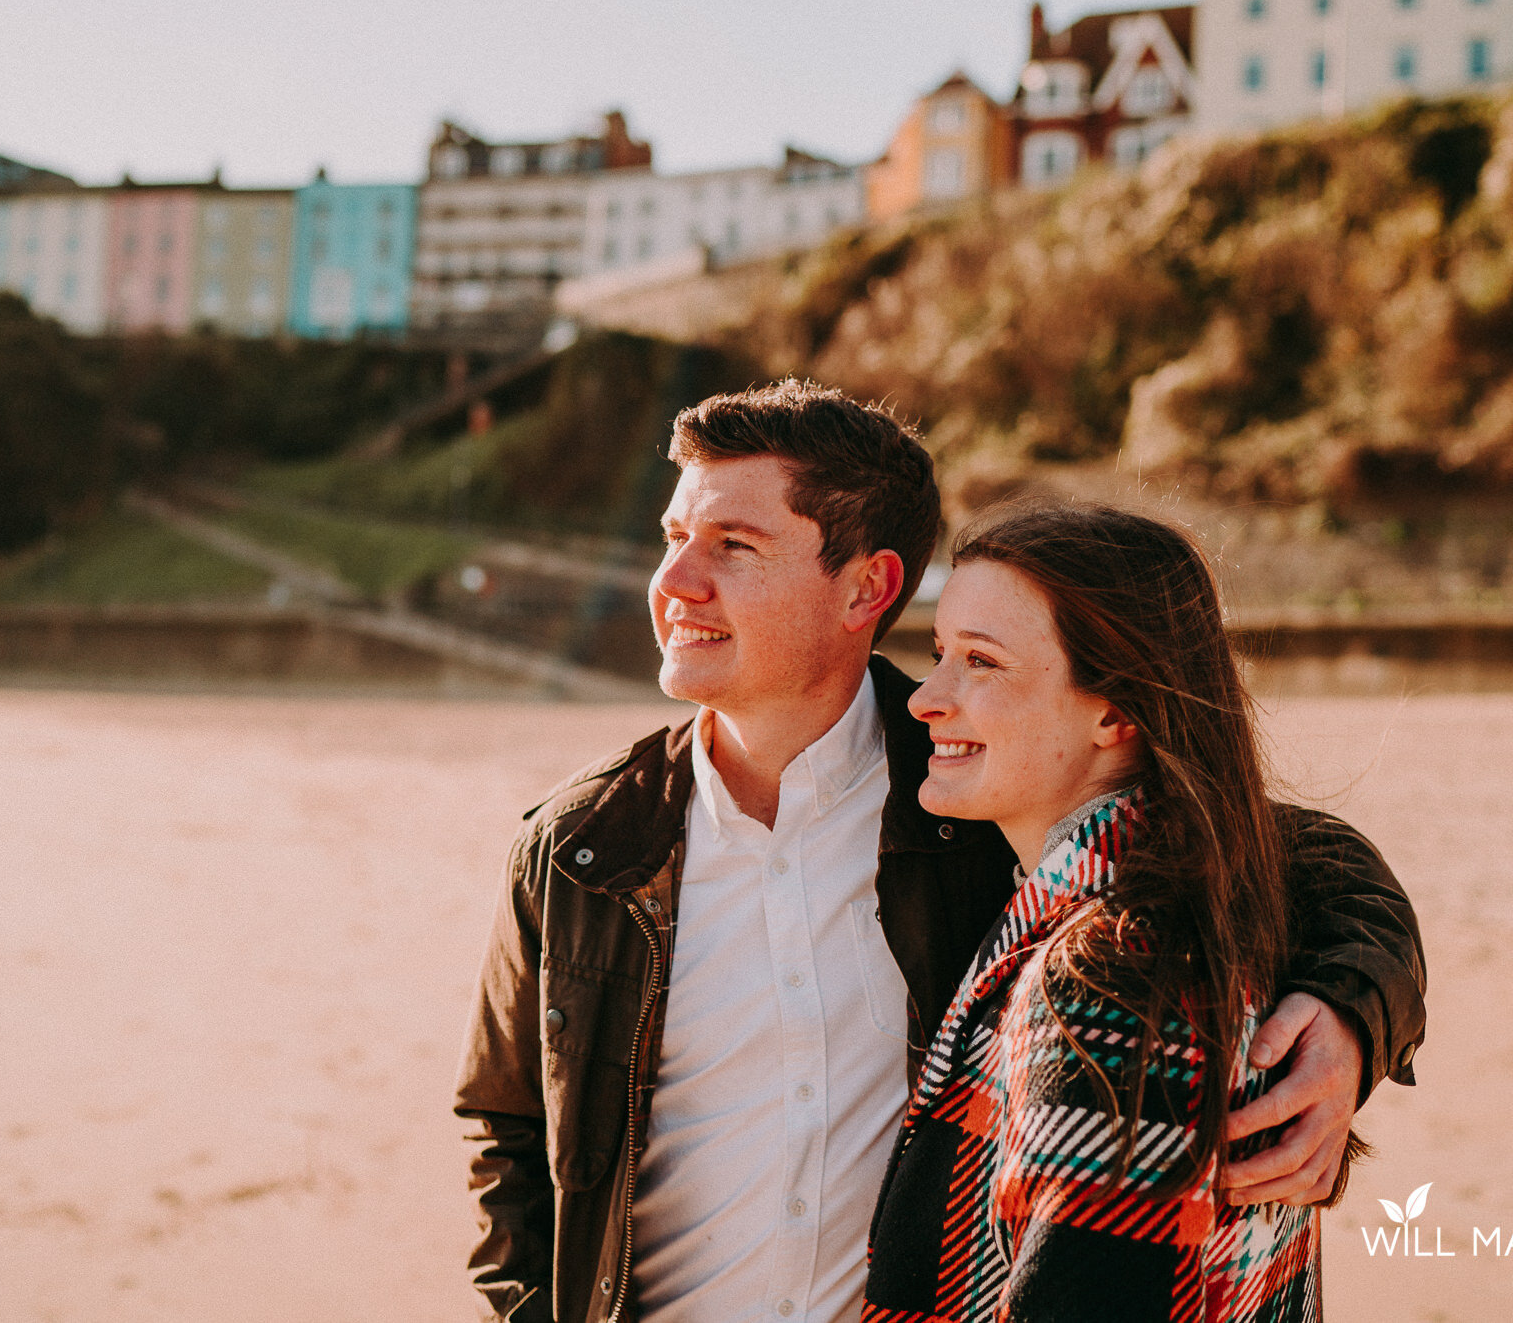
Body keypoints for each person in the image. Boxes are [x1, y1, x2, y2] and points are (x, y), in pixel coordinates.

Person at [453, 381, 1425, 1323]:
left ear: (866, 585)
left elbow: (1263, 842)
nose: (673, 583)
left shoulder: (979, 789)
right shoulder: (578, 849)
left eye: (733, 546)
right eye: (673, 539)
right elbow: (504, 1129)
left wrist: (1351, 1009)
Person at [863, 504, 1359, 1321]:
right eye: (938, 652)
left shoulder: (1113, 978)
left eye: (981, 662)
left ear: (1114, 712)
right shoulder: (1210, 896)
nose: (927, 698)